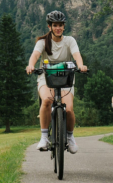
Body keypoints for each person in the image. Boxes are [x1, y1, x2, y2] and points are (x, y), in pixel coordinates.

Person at [26, 10, 88, 153]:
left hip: (66, 77)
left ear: (64, 27)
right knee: (47, 100)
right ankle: (44, 137)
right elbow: (35, 55)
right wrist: (31, 65)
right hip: (46, 76)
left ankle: (70, 137)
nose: (58, 28)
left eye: (60, 25)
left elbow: (76, 55)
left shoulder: (70, 41)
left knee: (69, 109)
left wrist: (80, 65)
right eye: (55, 25)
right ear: (50, 27)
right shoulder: (43, 42)